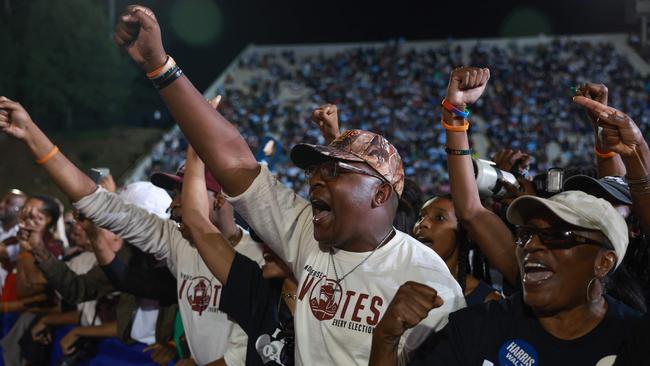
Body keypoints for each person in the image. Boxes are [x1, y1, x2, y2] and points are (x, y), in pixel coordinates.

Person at [110, 5, 465, 364]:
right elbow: (235, 161)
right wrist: (159, 66)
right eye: (315, 171)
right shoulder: (305, 237)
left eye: (333, 172)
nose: (314, 180)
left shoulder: (429, 281)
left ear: (381, 193)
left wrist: (386, 339)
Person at [0, 95, 261, 365]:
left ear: (219, 200)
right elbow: (98, 203)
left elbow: (256, 342)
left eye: (184, 194)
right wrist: (31, 133)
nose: (174, 205)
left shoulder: (260, 259)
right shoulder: (178, 244)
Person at [181, 145, 297, 366]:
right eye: (263, 239)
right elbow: (196, 222)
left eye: (275, 241)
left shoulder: (329, 301)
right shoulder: (259, 290)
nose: (265, 248)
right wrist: (195, 151)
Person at [413, 195, 501, 306]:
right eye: (420, 217)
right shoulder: (397, 282)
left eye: (439, 218)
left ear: (464, 232)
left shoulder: (488, 301)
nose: (422, 223)